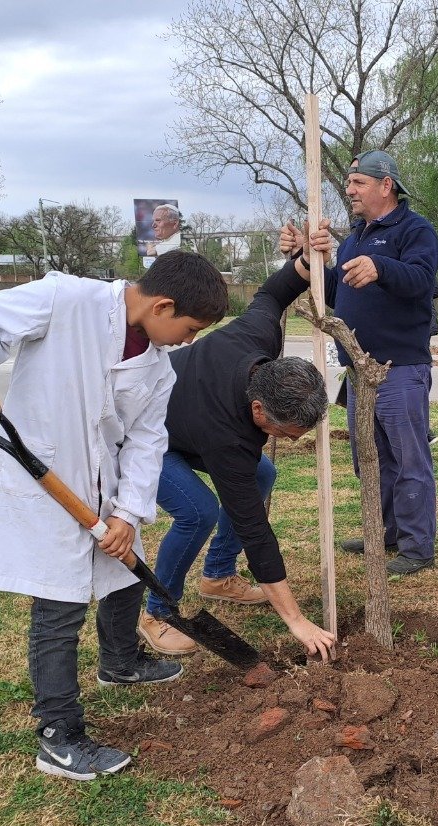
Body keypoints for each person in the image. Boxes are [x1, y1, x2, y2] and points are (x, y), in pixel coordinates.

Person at [0, 250, 229, 781]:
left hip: (107, 489)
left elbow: (147, 439)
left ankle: (120, 664)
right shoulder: (66, 299)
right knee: (58, 609)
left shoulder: (158, 370)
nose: (189, 341)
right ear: (162, 304)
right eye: (189, 329)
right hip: (46, 482)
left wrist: (128, 512)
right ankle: (58, 735)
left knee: (124, 577)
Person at [140, 254, 335, 663]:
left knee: (262, 473)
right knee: (198, 511)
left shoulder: (257, 335)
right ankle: (158, 613)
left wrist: (303, 260)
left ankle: (217, 576)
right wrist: (296, 620)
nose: (289, 440)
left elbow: (273, 292)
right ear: (259, 410)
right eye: (284, 433)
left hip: (187, 419)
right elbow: (254, 529)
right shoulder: (227, 437)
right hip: (146, 432)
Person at [279, 149, 438, 575]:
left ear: (386, 186)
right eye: (350, 184)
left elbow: (422, 281)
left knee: (408, 459)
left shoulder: (415, 231)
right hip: (357, 368)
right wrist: (309, 258)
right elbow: (335, 291)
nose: (349, 191)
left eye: (358, 184)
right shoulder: (356, 236)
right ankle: (384, 531)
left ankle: (417, 546)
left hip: (398, 368)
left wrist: (381, 267)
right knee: (369, 457)